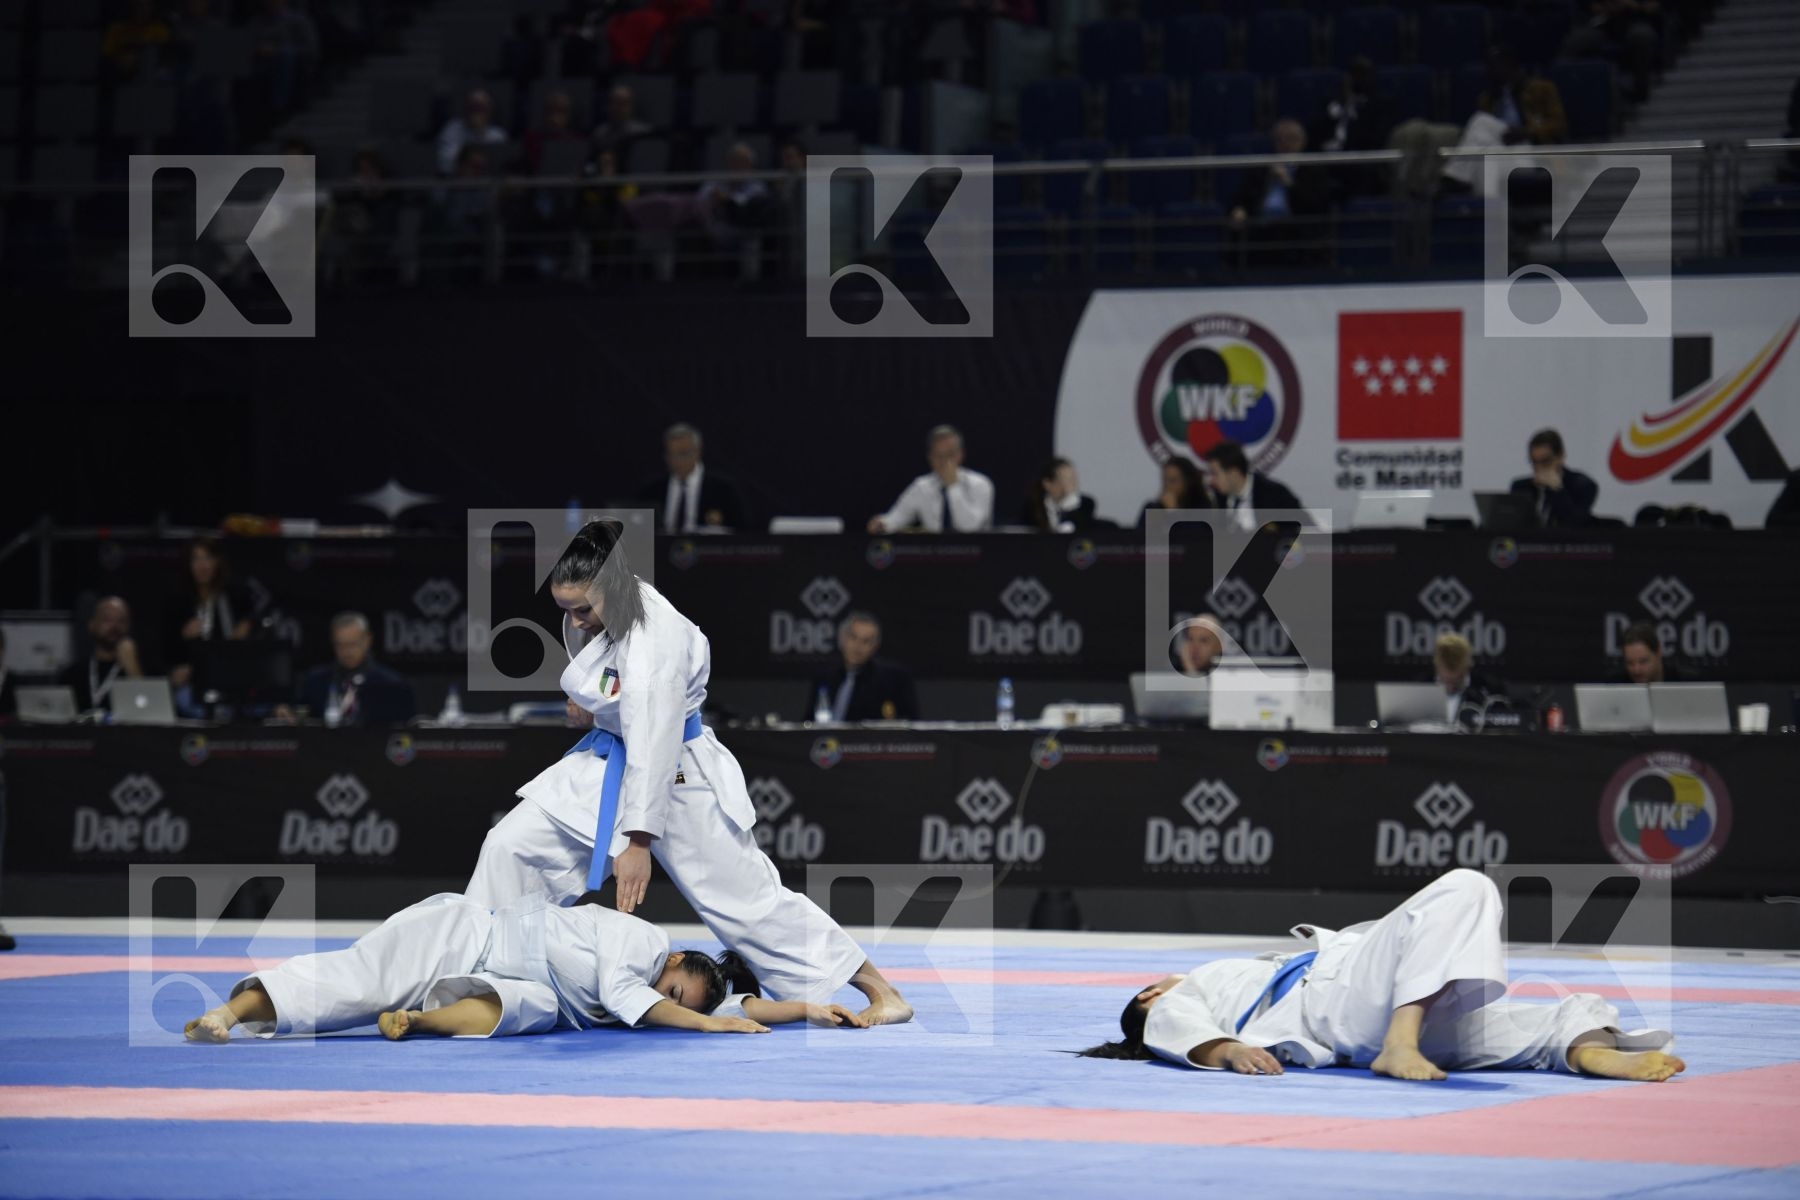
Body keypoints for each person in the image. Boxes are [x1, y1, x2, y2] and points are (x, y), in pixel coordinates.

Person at [465, 520, 913, 1024]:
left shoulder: (658, 634)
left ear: (615, 587)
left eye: (583, 608)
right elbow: (619, 696)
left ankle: (884, 993)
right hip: (611, 761)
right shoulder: (597, 613)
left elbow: (655, 739)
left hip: (677, 774)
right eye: (565, 608)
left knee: (750, 903)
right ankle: (473, 981)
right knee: (513, 845)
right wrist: (597, 712)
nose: (575, 620)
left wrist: (637, 842)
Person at [1079, 869, 1683, 1083]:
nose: (1167, 984)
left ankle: (1592, 1053)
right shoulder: (1190, 990)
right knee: (1465, 887)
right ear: (1149, 992)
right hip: (1338, 1003)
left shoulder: (1227, 984)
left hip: (1369, 1021)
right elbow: (1167, 1023)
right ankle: (1400, 1043)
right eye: (1158, 986)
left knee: (1553, 1012)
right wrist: (1228, 1048)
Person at [183, 891, 867, 1043]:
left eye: (679, 998)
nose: (669, 1000)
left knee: (528, 1012)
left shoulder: (687, 990)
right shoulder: (641, 942)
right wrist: (710, 1031)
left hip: (525, 981)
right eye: (674, 988)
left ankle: (416, 1022)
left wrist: (808, 1006)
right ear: (677, 959)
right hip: (460, 933)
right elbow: (655, 1002)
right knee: (354, 985)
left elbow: (739, 1007)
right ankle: (227, 1013)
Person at [1227, 118, 1331, 266]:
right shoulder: (1261, 168)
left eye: (1291, 139)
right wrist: (1239, 209)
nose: (1286, 144)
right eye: (1281, 139)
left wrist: (1288, 182)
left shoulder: (1313, 169)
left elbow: (1314, 203)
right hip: (1262, 227)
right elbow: (1243, 196)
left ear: (1303, 141)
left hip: (1296, 227)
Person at [282, 612, 416, 726]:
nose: (347, 652)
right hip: (324, 752)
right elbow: (298, 715)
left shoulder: (393, 685)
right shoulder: (315, 680)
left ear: (368, 640)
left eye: (352, 644)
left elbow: (406, 731)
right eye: (340, 645)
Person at [868, 425, 995, 533]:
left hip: (976, 555)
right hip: (935, 555)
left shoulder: (981, 484)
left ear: (960, 455)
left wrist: (952, 486)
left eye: (950, 455)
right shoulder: (921, 486)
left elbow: (970, 528)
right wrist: (882, 523)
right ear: (929, 458)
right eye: (938, 456)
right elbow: (896, 517)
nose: (944, 462)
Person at [167, 536, 254, 690]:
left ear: (217, 562)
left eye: (208, 558)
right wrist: (183, 637)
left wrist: (245, 627)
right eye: (196, 559)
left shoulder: (234, 595)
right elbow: (169, 652)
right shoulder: (178, 601)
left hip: (232, 673)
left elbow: (254, 619)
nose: (203, 566)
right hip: (194, 679)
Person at [634, 422, 748, 532]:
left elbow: (742, 530)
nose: (676, 461)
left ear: (697, 452)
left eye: (683, 454)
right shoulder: (652, 492)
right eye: (671, 454)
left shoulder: (723, 490)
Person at [809, 612, 918, 722]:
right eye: (853, 637)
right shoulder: (825, 677)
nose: (858, 646)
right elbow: (809, 723)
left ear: (875, 647)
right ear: (842, 639)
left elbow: (910, 725)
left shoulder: (892, 680)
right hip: (824, 738)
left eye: (866, 641)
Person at [59, 597, 145, 713]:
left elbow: (147, 708)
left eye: (121, 621)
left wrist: (132, 668)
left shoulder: (143, 669)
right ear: (92, 625)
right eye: (107, 620)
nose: (115, 626)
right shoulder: (72, 675)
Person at [1508, 428, 1599, 527]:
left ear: (1560, 457)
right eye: (1534, 462)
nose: (1539, 468)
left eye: (1545, 461)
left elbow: (1575, 523)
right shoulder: (1521, 487)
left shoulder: (1582, 485)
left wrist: (1556, 489)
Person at [1203, 441, 1302, 522]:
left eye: (1215, 474)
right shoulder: (1215, 500)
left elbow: (1306, 532)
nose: (1211, 480)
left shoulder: (1275, 495)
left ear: (1234, 474)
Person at [1430, 632, 1510, 727]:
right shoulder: (1419, 687)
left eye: (1456, 680)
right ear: (1437, 666)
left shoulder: (1490, 692)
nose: (1450, 686)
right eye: (1446, 680)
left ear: (1467, 667)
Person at [437, 88, 509, 176]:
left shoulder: (498, 135)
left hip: (488, 185)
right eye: (473, 108)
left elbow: (502, 168)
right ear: (466, 109)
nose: (477, 113)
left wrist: (480, 133)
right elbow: (445, 165)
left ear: (490, 111)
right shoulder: (452, 129)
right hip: (458, 184)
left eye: (481, 108)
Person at [1020, 458, 1098, 532]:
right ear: (1047, 484)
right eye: (1066, 479)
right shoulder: (1033, 506)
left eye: (1074, 478)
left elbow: (1073, 528)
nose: (1073, 483)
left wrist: (1067, 506)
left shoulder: (1086, 504)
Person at [1137, 458, 1214, 526]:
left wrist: (1173, 512)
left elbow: (1190, 538)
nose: (1167, 486)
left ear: (1188, 482)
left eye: (1173, 481)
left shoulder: (1203, 509)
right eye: (1164, 480)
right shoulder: (1152, 509)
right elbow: (1139, 539)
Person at [1613, 621, 1694, 685]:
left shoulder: (1687, 683)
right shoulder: (1615, 685)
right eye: (1630, 663)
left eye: (1643, 661)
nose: (1636, 670)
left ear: (1658, 653)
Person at [591, 83, 652, 157]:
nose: (618, 108)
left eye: (623, 103)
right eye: (615, 102)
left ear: (632, 106)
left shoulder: (643, 132)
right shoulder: (600, 134)